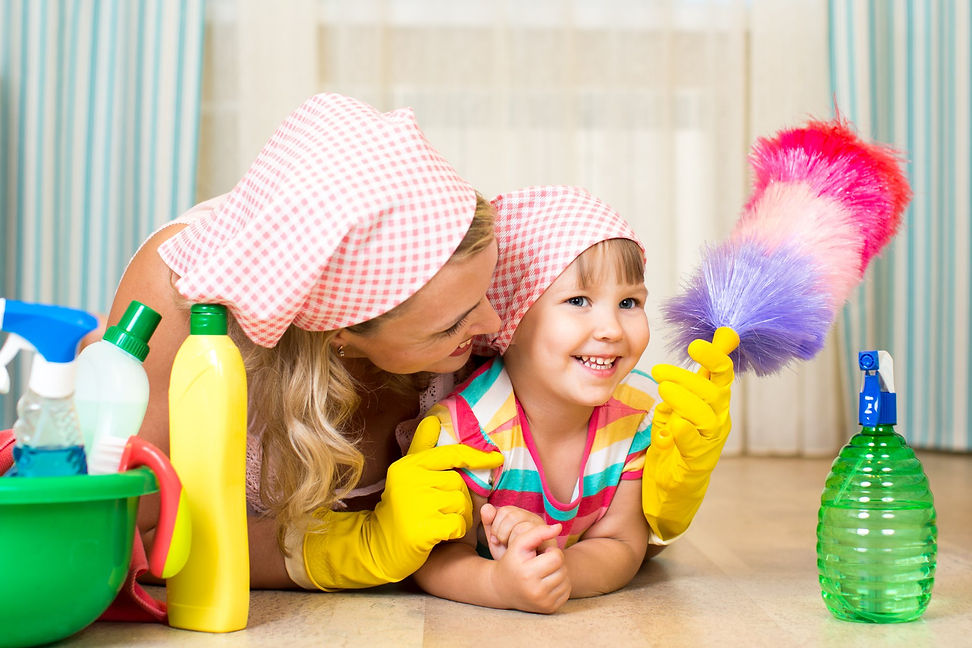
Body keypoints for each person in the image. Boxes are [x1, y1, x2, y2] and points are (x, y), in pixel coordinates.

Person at [109, 92, 505, 590]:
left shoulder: (463, 273)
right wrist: (349, 550)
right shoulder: (176, 300)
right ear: (342, 332)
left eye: (486, 293)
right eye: (451, 327)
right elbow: (138, 537)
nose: (494, 324)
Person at [412, 186, 735, 613]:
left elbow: (621, 542)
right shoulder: (470, 428)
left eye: (629, 302)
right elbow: (435, 560)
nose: (612, 329)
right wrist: (496, 583)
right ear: (512, 319)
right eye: (578, 300)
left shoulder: (636, 412)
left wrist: (561, 570)